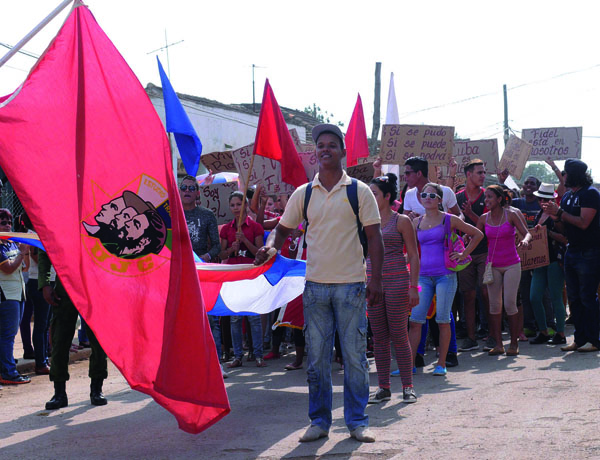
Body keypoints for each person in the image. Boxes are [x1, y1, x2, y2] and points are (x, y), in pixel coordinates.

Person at [254, 123, 384, 443]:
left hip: (352, 286)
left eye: (331, 144)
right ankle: (320, 421)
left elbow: (374, 238)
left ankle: (356, 421)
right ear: (316, 153)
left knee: (354, 358)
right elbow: (282, 230)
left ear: (342, 152)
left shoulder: (359, 190)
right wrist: (271, 246)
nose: (325, 149)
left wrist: (376, 280)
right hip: (314, 288)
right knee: (317, 360)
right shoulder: (304, 193)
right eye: (320, 145)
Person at [409, 183, 483, 376]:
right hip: (422, 277)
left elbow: (477, 234)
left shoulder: (449, 219)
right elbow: (410, 251)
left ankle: (441, 364)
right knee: (416, 320)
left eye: (432, 196)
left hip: (445, 275)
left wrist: (463, 254)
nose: (427, 198)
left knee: (442, 320)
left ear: (440, 200)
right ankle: (408, 365)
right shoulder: (416, 222)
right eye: (424, 194)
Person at [366, 173, 420, 404]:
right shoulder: (365, 221)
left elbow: (414, 256)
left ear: (387, 196)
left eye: (374, 193)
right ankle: (384, 387)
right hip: (372, 284)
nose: (370, 197)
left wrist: (413, 287)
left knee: (399, 335)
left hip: (397, 283)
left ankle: (407, 386)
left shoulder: (402, 221)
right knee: (379, 338)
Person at [541, 159, 600, 352]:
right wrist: (554, 216)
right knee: (574, 298)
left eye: (566, 173)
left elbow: (584, 222)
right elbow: (564, 227)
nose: (563, 176)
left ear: (575, 175)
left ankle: (594, 339)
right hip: (572, 250)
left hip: (589, 251)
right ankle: (580, 339)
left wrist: (560, 213)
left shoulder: (590, 194)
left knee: (587, 297)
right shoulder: (567, 197)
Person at [39, 251, 108, 409]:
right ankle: (59, 393)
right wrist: (45, 283)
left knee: (99, 343)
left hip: (94, 286)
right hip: (65, 287)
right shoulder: (56, 225)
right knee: (60, 342)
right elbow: (44, 250)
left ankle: (97, 389)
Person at [178, 175, 226, 378]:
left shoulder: (207, 215)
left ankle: (216, 364)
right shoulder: (173, 215)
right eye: (184, 187)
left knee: (210, 319)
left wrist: (205, 257)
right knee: (182, 320)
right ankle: (185, 365)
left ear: (198, 193)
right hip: (180, 273)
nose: (187, 190)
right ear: (179, 191)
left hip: (202, 273)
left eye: (191, 187)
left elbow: (216, 246)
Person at [477, 185, 531, 356]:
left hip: (511, 264)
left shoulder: (512, 214)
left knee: (509, 303)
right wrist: (465, 237)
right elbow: (475, 235)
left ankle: (514, 344)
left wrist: (525, 241)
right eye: (485, 197)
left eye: (490, 197)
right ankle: (499, 344)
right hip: (492, 266)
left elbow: (526, 233)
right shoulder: (483, 218)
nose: (486, 201)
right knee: (494, 306)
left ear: (499, 199)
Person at [220, 191, 267, 368]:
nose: (235, 208)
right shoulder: (226, 229)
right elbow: (222, 254)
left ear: (245, 205)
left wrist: (245, 241)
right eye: (232, 205)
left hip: (251, 276)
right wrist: (232, 248)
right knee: (235, 318)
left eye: (238, 204)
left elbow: (259, 252)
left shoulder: (255, 227)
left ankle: (258, 355)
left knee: (253, 317)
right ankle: (238, 356)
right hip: (234, 276)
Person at [456, 159, 492, 352]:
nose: (483, 176)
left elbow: (487, 226)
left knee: (486, 293)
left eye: (484, 172)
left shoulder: (488, 196)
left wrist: (469, 215)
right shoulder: (457, 197)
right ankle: (471, 338)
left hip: (485, 251)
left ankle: (492, 334)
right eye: (479, 172)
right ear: (469, 175)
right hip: (465, 254)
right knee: (468, 295)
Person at [529, 183, 568, 345]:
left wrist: (548, 232)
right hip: (540, 261)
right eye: (540, 199)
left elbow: (565, 238)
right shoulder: (539, 214)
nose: (542, 202)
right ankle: (544, 331)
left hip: (554, 261)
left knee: (555, 297)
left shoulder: (557, 215)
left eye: (545, 199)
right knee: (534, 297)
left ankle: (560, 333)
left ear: (552, 200)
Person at [0, 209, 30, 385]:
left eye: (9, 222)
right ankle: (8, 372)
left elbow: (24, 268)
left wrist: (23, 251)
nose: (7, 225)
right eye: (3, 222)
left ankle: (7, 368)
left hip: (19, 294)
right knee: (7, 336)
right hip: (6, 295)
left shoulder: (10, 243)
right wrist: (21, 252)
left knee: (9, 335)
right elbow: (9, 268)